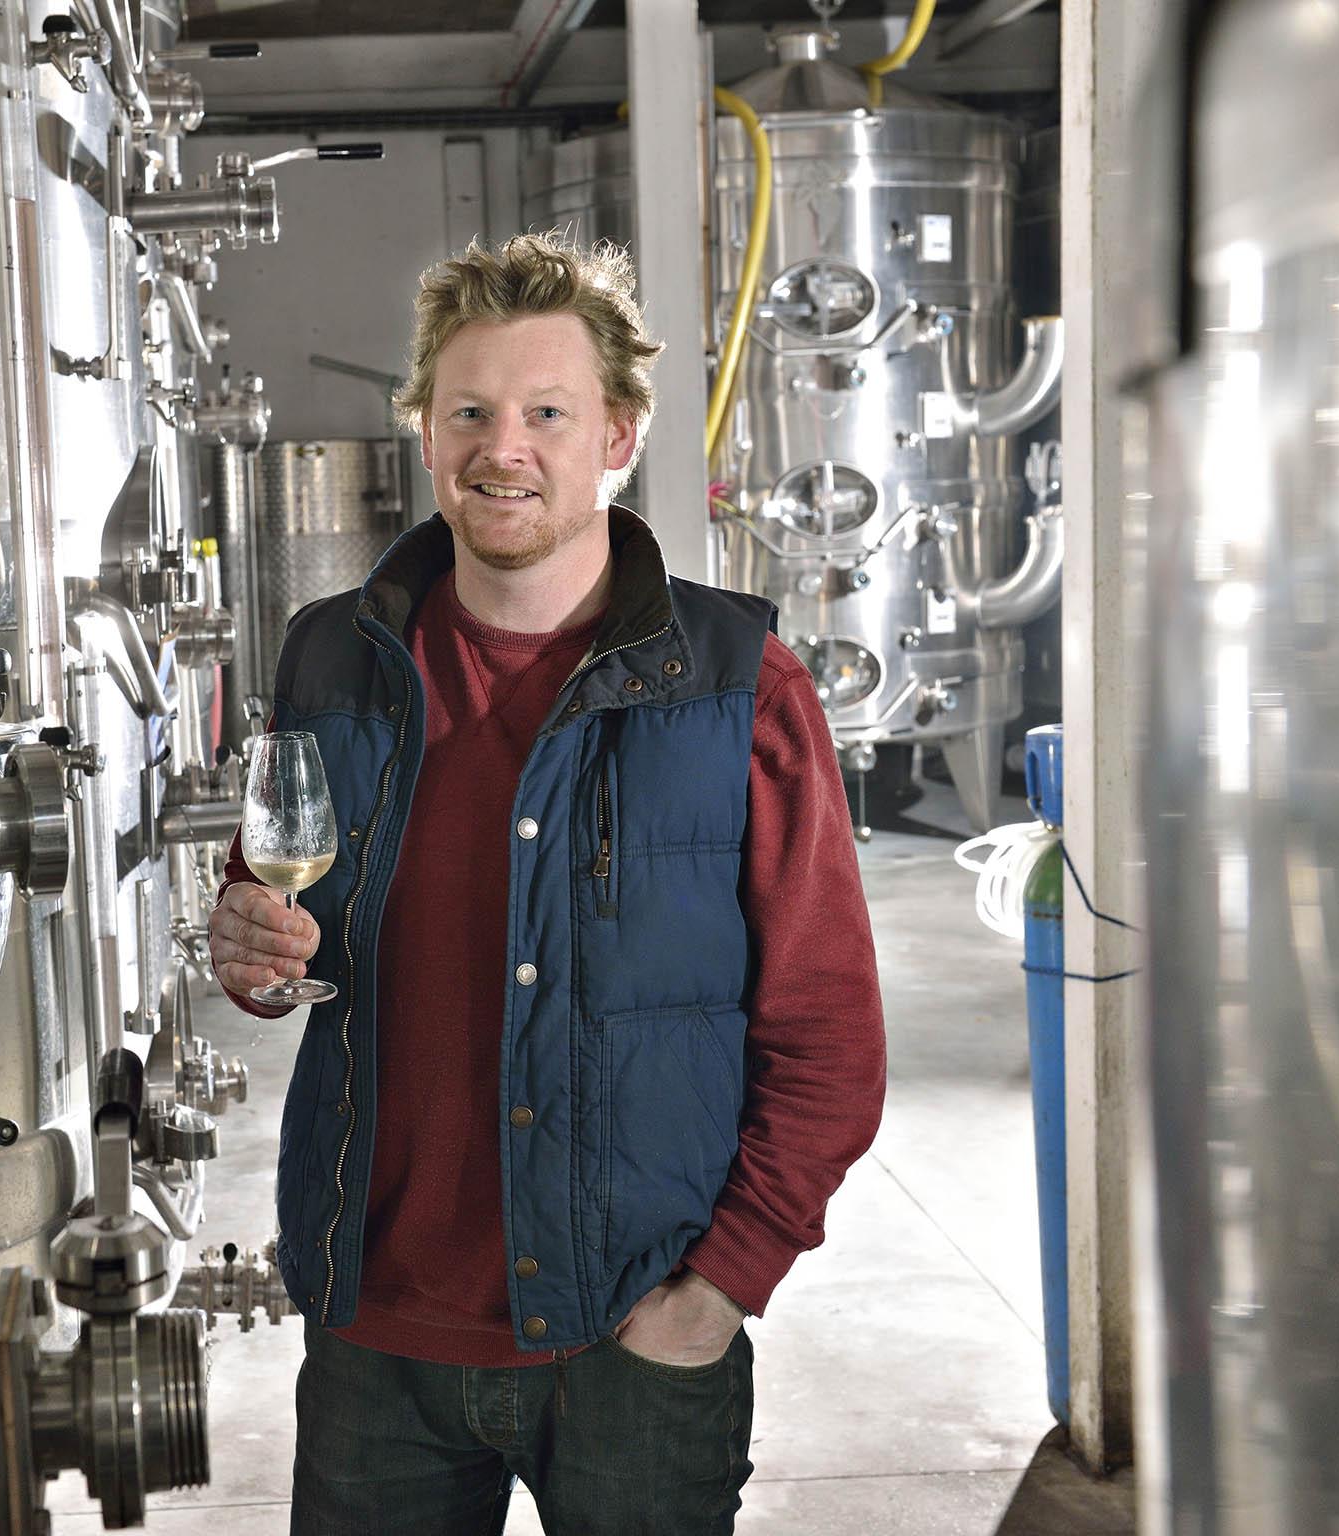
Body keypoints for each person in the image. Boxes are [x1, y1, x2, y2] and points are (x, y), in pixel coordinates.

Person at [208, 232, 885, 1535]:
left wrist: (716, 1293)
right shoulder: (330, 660)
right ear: (425, 430)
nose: (500, 446)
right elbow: (277, 923)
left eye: (545, 412)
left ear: (617, 436)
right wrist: (252, 952)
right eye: (469, 410)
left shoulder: (741, 687)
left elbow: (830, 1037)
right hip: (378, 1334)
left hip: (629, 1339)